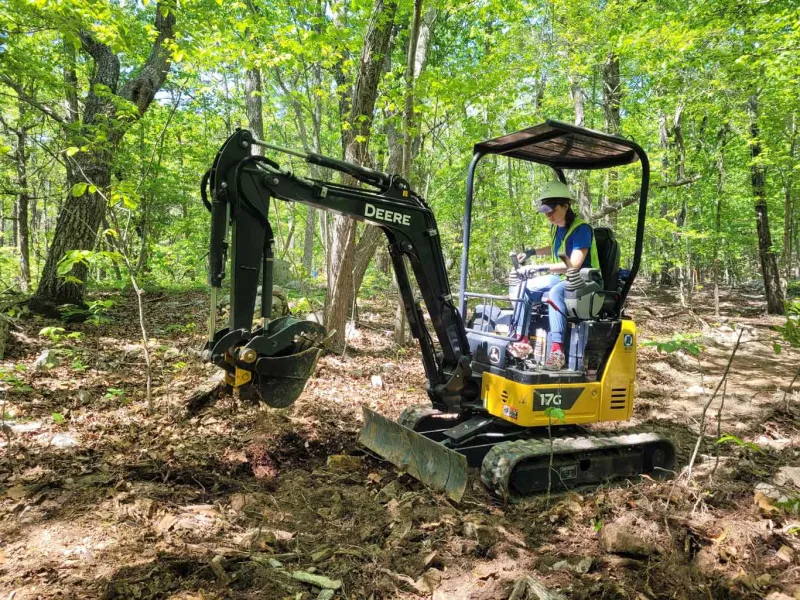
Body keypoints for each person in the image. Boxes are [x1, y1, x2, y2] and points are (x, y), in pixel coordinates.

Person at [512, 181, 599, 370]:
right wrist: (531, 252)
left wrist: (540, 268)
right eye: (545, 211)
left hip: (584, 280)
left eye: (552, 210)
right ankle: (522, 340)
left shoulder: (581, 229)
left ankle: (557, 352)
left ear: (566, 206)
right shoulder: (557, 227)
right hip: (562, 277)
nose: (548, 215)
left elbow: (573, 264)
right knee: (523, 287)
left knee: (555, 293)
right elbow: (555, 247)